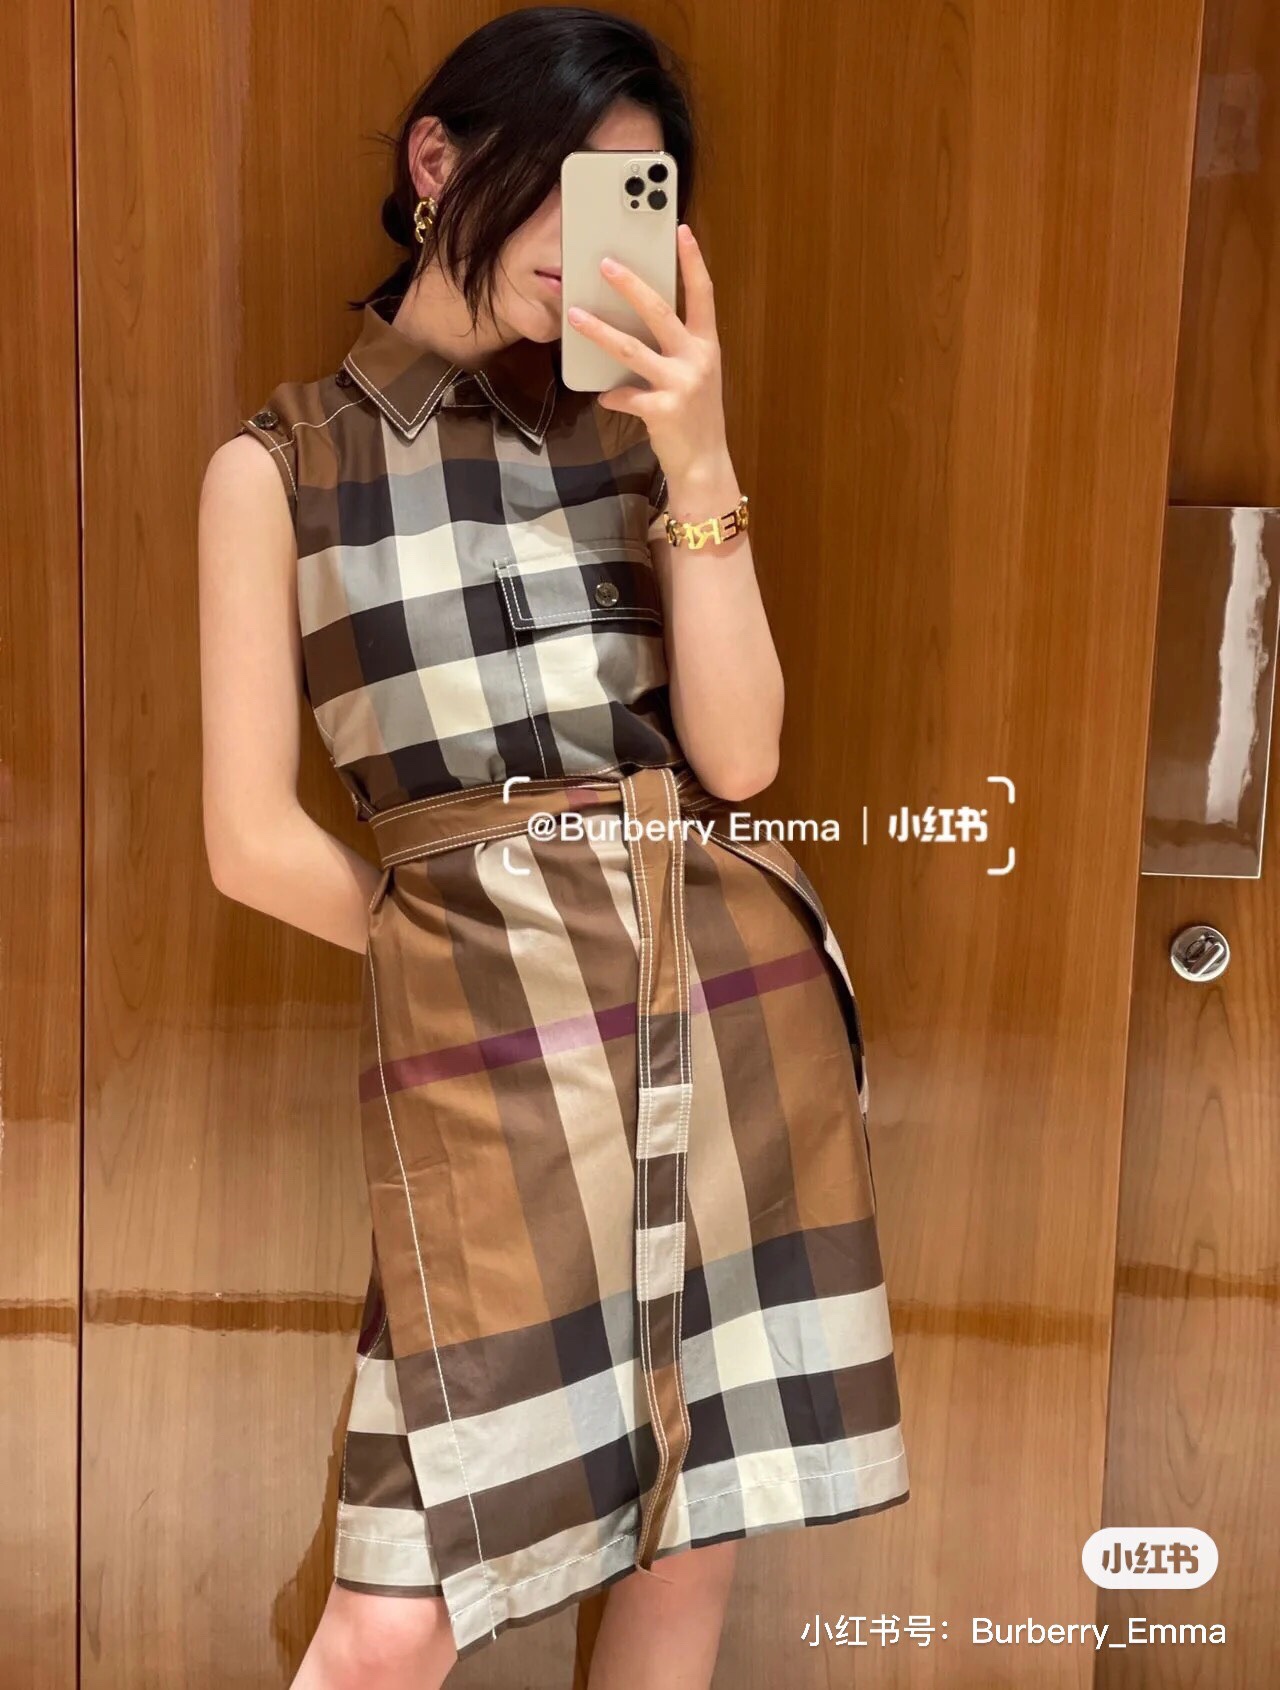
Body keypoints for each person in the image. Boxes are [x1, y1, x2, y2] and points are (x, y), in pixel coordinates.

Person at [198, 8, 909, 1687]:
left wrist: (700, 450)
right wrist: (479, 945)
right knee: (388, 1623)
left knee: (686, 1541)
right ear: (437, 162)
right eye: (562, 183)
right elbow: (248, 840)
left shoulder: (632, 435)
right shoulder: (282, 464)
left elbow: (742, 755)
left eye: (633, 196)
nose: (587, 234)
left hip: (726, 1014)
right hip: (494, 1049)